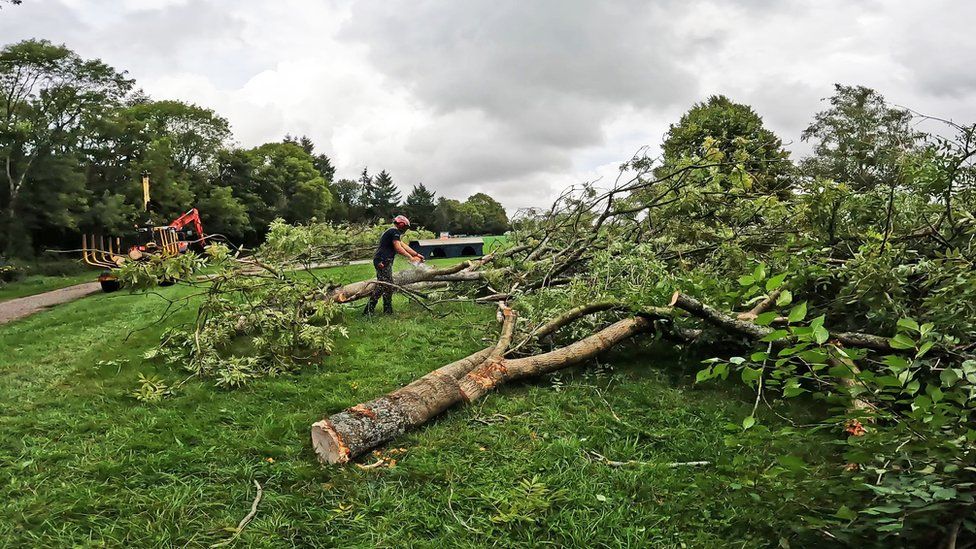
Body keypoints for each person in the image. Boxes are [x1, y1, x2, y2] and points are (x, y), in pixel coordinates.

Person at [364, 215, 424, 316]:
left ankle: (385, 311)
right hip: (382, 261)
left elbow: (403, 246)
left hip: (383, 260)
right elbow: (398, 248)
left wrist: (416, 255)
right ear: (401, 225)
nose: (405, 229)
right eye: (405, 227)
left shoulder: (393, 233)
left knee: (386, 286)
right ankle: (371, 311)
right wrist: (410, 257)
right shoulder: (394, 231)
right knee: (384, 286)